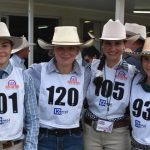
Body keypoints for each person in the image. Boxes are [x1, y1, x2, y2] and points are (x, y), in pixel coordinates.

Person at [26, 26, 92, 150]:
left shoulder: (87, 74)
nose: (66, 53)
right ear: (53, 50)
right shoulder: (37, 71)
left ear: (77, 51)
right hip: (44, 137)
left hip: (73, 137)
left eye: (71, 48)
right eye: (60, 48)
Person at [83, 19, 138, 150]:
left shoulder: (132, 72)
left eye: (117, 43)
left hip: (118, 133)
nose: (112, 48)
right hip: (91, 131)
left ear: (124, 45)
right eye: (108, 43)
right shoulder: (91, 68)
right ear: (102, 45)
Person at [0, 22, 39, 150]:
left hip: (14, 145)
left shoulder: (24, 77)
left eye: (4, 46)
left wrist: (30, 147)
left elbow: (32, 118)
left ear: (11, 49)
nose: (1, 50)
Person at [126, 37, 150, 150]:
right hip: (134, 144)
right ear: (141, 61)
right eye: (146, 59)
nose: (149, 64)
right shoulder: (135, 79)